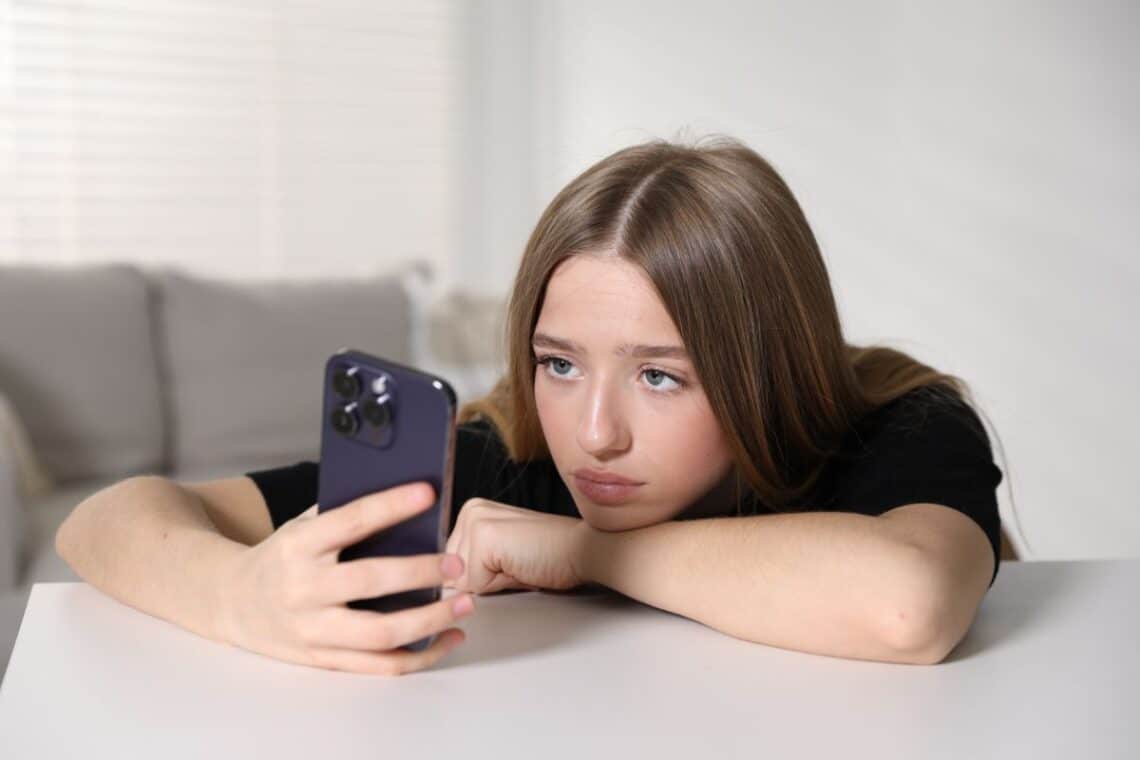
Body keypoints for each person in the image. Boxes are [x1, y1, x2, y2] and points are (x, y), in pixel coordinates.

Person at [56, 135, 1009, 676]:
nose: (593, 434)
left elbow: (906, 607)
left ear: (764, 366)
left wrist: (586, 550)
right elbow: (103, 523)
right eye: (559, 365)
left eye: (660, 375)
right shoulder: (506, 455)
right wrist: (238, 598)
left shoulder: (900, 423)